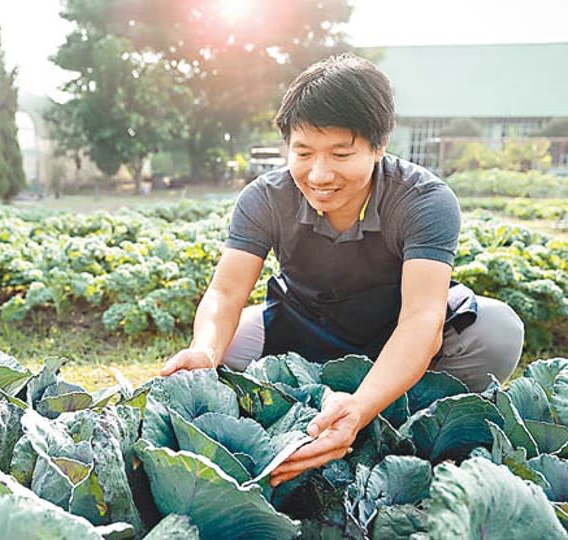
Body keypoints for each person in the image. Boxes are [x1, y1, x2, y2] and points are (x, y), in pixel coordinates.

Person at [159, 53, 524, 488]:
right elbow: (226, 293)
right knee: (228, 344)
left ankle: (374, 398)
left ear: (378, 146)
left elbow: (422, 320)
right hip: (306, 323)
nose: (319, 174)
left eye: (340, 153)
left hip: (396, 327)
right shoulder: (265, 198)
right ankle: (341, 393)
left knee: (499, 333)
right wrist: (205, 349)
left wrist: (362, 407)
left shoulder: (424, 200)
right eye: (303, 152)